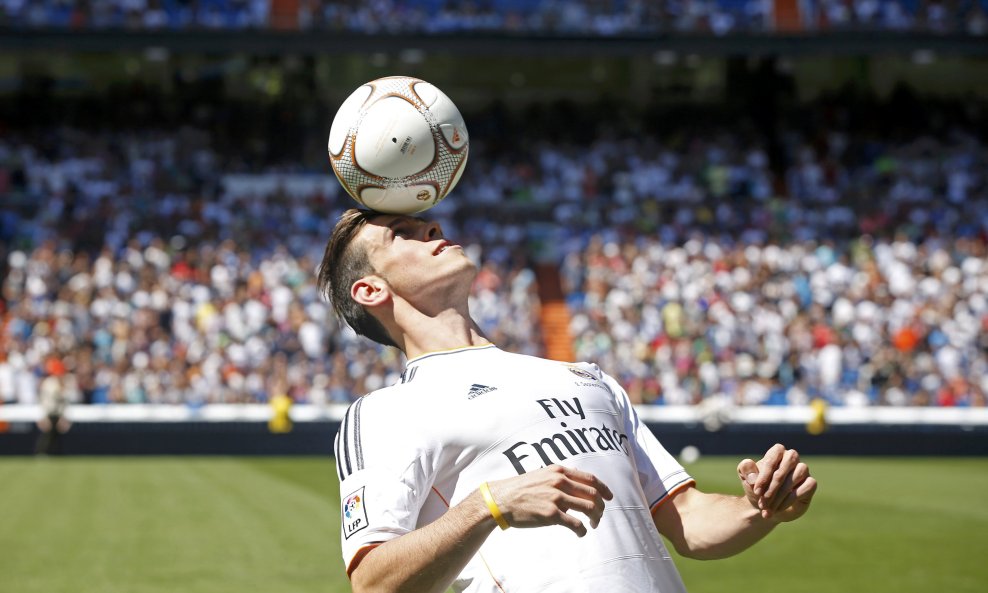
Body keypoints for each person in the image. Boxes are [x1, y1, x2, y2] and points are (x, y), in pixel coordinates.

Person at [318, 208, 818, 593]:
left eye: (427, 223)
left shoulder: (585, 377)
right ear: (370, 289)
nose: (431, 228)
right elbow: (374, 582)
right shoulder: (386, 412)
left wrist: (760, 508)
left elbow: (687, 520)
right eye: (401, 233)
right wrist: (490, 505)